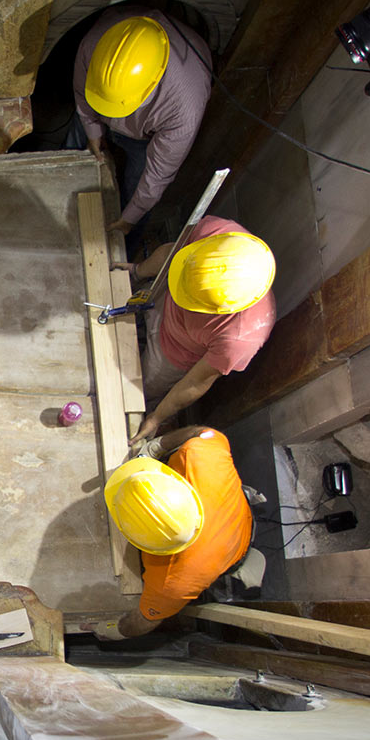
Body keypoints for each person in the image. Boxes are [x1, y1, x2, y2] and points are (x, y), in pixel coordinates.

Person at [115, 216, 276, 447]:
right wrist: (136, 272)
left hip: (172, 356)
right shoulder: (220, 235)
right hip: (161, 296)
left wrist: (157, 417)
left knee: (136, 390)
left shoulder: (241, 337)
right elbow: (171, 254)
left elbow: (195, 382)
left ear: (224, 309)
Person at [97, 426, 260, 640]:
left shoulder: (172, 582)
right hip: (237, 517)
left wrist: (109, 631)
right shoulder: (202, 456)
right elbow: (203, 431)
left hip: (234, 554)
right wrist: (156, 447)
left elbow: (145, 621)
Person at [71, 6, 212, 237]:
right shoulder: (95, 43)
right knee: (78, 140)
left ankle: (127, 238)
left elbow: (158, 173)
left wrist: (129, 218)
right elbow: (81, 92)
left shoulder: (185, 105)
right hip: (96, 110)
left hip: (145, 134)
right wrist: (93, 132)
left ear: (151, 84)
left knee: (137, 187)